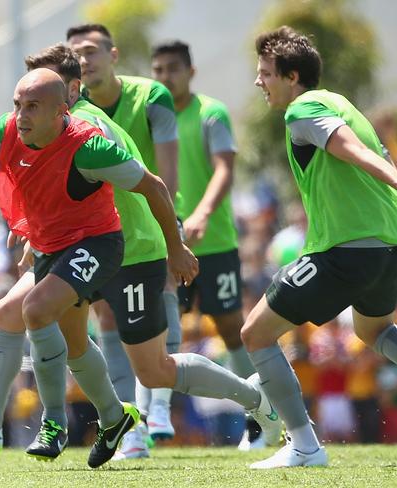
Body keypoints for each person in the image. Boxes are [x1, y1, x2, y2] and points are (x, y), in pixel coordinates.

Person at [23, 44, 282, 460]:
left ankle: (256, 400)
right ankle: (117, 424)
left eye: (38, 95)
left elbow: (154, 186)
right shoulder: (35, 131)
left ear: (69, 92)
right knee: (39, 316)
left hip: (133, 249)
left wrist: (174, 247)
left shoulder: (89, 127)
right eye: (23, 97)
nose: (25, 107)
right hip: (83, 248)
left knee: (154, 366)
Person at [0, 68, 196, 469]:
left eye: (33, 107)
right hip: (50, 249)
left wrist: (176, 248)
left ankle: (52, 422)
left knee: (35, 310)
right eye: (18, 105)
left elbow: (155, 187)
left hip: (100, 244)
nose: (21, 115)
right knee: (73, 345)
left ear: (62, 111)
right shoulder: (2, 132)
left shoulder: (88, 147)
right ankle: (113, 417)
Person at [241, 26, 397, 469]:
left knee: (255, 334)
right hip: (389, 248)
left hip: (345, 249)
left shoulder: (303, 107)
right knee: (373, 331)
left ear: (292, 76)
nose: (259, 81)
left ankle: (303, 444)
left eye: (265, 73)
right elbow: (383, 162)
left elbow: (352, 150)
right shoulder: (343, 103)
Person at [67, 22, 182, 444]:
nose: (84, 57)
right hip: (101, 232)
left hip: (154, 216)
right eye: (76, 51)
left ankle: (160, 408)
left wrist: (174, 232)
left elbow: (166, 176)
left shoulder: (152, 96)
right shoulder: (65, 110)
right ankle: (129, 425)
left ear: (113, 55)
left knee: (163, 298)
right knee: (108, 317)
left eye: (92, 49)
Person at [150, 40, 263, 448]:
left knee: (233, 330)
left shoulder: (211, 112)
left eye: (173, 69)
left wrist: (201, 213)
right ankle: (155, 416)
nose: (165, 77)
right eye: (158, 69)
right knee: (160, 330)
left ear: (190, 72)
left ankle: (258, 418)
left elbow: (224, 170)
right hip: (167, 243)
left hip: (214, 244)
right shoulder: (150, 115)